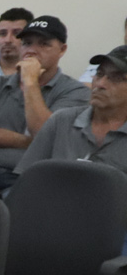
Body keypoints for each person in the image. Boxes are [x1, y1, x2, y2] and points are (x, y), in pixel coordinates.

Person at [0, 16, 92, 186]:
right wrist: (26, 141)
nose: (31, 50)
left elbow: (45, 135)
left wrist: (30, 82)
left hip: (34, 179)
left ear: (62, 50)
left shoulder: (75, 91)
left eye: (43, 44)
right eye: (27, 43)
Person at [16, 49, 127, 179]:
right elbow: (28, 178)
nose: (100, 84)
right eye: (99, 74)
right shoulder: (62, 120)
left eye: (117, 78)